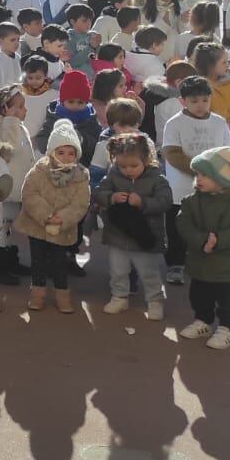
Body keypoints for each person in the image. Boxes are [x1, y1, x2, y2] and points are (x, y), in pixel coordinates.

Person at [175, 141, 230, 350]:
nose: (199, 179)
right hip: (200, 261)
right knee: (199, 295)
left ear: (223, 179)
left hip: (227, 265)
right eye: (197, 174)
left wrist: (218, 240)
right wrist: (202, 240)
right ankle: (203, 321)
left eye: (205, 175)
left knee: (227, 299)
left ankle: (227, 329)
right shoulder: (191, 201)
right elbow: (183, 224)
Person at [93, 132, 172, 320]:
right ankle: (119, 297)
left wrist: (143, 202)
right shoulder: (113, 175)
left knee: (149, 272)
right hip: (118, 234)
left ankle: (155, 301)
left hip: (144, 234)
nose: (128, 170)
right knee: (117, 270)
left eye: (133, 165)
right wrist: (111, 198)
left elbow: (165, 201)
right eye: (122, 166)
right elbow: (99, 192)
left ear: (146, 159)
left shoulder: (157, 178)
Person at [15, 118, 91, 313]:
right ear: (51, 152)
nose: (66, 157)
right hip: (37, 225)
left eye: (71, 153)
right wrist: (46, 214)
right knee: (38, 261)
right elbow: (29, 193)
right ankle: (37, 295)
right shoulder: (39, 170)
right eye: (61, 152)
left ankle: (62, 296)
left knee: (60, 262)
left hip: (63, 228)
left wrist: (63, 218)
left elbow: (81, 203)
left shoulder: (81, 176)